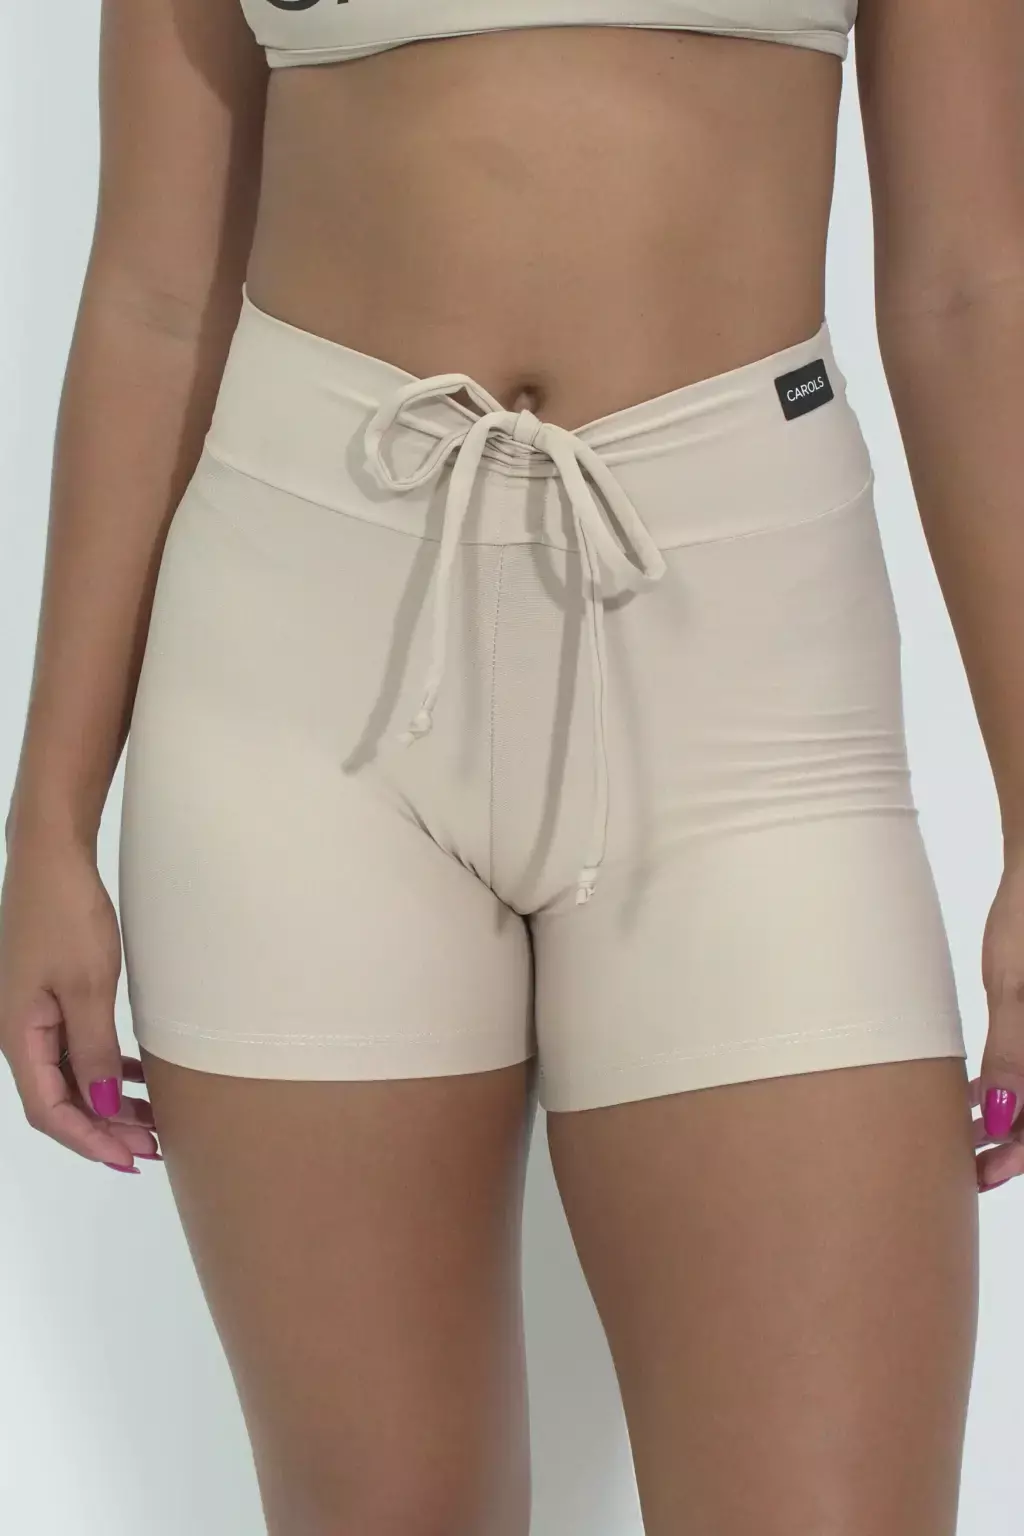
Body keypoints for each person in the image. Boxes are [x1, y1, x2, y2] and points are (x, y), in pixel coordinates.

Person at [1, 0, 1022, 1530]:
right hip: (298, 686)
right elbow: (156, 294)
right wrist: (47, 825)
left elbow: (970, 287)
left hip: (753, 696)